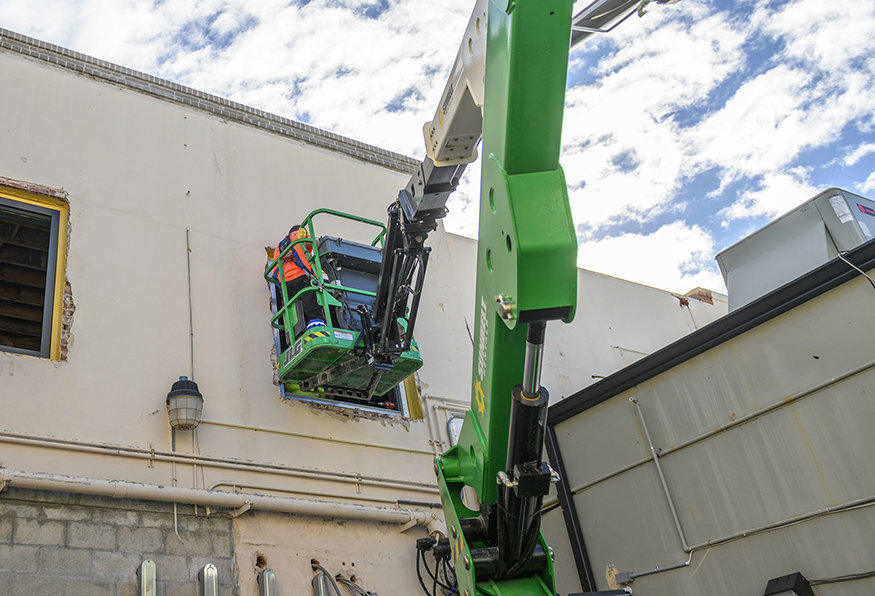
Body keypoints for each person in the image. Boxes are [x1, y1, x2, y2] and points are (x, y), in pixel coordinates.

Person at [272, 225, 326, 334]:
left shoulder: (279, 246)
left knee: (292, 307)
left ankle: (295, 332)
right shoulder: (299, 235)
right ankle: (316, 322)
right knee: (310, 296)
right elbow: (315, 243)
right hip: (302, 276)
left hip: (285, 283)